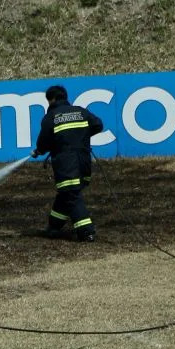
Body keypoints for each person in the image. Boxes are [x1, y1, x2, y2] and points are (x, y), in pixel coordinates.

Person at [31, 85, 104, 242]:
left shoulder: (51, 117)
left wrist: (38, 151)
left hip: (66, 164)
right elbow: (98, 125)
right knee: (67, 194)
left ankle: (87, 232)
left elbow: (43, 142)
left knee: (71, 195)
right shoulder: (81, 112)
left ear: (52, 99)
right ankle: (54, 226)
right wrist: (79, 136)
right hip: (84, 162)